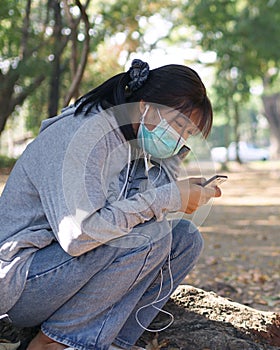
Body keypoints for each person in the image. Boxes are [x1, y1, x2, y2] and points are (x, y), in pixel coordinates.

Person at [0, 59, 221, 350]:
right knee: (148, 238)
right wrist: (169, 197)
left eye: (187, 135)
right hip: (23, 281)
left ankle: (115, 340)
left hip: (64, 274)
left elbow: (139, 207)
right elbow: (79, 236)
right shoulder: (83, 136)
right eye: (178, 125)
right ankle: (56, 342)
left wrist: (172, 165)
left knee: (185, 239)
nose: (179, 138)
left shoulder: (131, 142)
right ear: (145, 106)